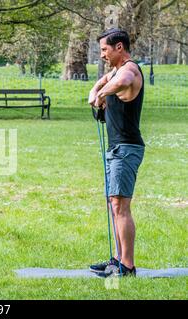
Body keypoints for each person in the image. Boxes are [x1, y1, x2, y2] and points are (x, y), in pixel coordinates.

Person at [88, 29, 145, 277]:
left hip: (127, 147)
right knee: (114, 205)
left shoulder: (129, 69)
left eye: (104, 49)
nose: (102, 54)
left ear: (119, 47)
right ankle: (117, 260)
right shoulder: (113, 72)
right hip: (115, 148)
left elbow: (122, 82)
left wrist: (103, 93)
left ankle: (127, 266)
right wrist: (96, 94)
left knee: (121, 206)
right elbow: (96, 89)